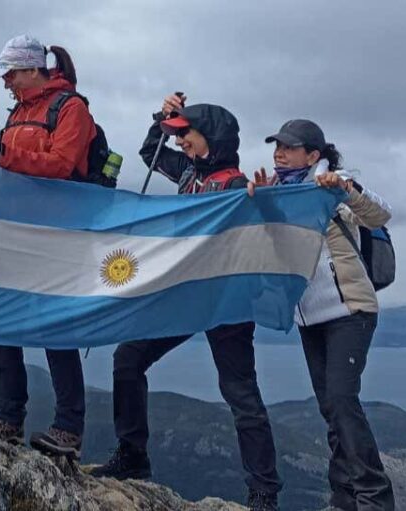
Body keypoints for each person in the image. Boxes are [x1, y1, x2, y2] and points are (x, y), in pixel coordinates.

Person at [89, 93, 283, 511]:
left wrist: (267, 205)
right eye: (178, 137)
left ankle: (264, 493)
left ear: (211, 137)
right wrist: (164, 116)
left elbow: (267, 238)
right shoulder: (188, 172)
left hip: (226, 301)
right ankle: (133, 457)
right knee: (128, 359)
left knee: (240, 393)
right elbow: (149, 150)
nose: (179, 143)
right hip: (184, 294)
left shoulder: (236, 185)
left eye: (186, 135)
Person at [0, 35, 91, 458]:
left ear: (32, 69)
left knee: (55, 324)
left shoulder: (70, 108)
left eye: (10, 74)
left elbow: (62, 165)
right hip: (15, 231)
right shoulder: (18, 110)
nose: (6, 83)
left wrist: (1, 154)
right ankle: (8, 419)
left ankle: (69, 428)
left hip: (57, 232)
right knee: (5, 320)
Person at [260, 119, 395, 511]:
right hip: (310, 318)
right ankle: (343, 498)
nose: (278, 152)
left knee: (340, 400)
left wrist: (346, 188)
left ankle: (374, 499)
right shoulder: (278, 192)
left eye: (288, 146)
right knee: (331, 407)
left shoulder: (331, 186)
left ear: (313, 155)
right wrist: (257, 203)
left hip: (350, 309)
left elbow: (380, 215)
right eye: (276, 146)